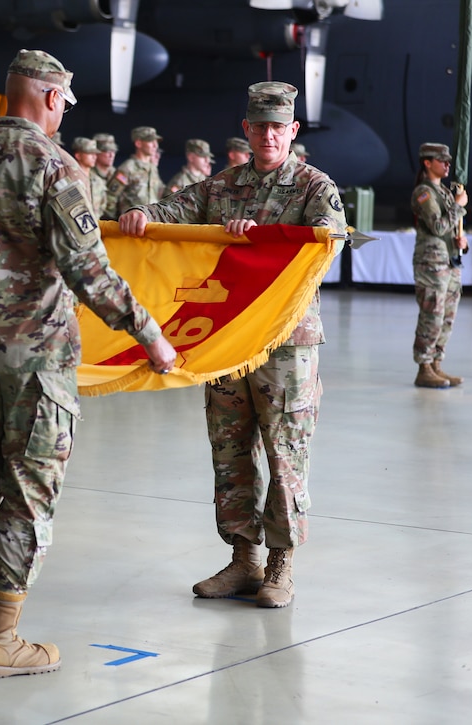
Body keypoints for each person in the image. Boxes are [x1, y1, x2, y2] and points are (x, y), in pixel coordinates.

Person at [0, 49, 176, 679]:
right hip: (38, 366)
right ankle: (2, 639)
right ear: (51, 98)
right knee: (28, 498)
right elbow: (89, 270)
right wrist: (148, 333)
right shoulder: (55, 168)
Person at [119, 81, 347, 609]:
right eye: (259, 126)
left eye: (278, 127)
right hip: (226, 339)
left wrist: (261, 236)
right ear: (246, 131)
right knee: (229, 448)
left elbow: (327, 242)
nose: (268, 135)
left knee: (285, 451)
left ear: (292, 131)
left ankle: (280, 563)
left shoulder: (315, 187)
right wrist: (143, 216)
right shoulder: (221, 187)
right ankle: (243, 558)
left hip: (285, 344)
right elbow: (176, 209)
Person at [411, 142, 468, 389]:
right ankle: (424, 367)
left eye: (448, 160)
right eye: (441, 160)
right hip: (432, 264)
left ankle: (436, 364)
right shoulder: (423, 193)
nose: (447, 164)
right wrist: (458, 205)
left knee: (447, 317)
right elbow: (437, 226)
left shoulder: (443, 191)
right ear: (427, 162)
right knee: (432, 315)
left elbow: (449, 229)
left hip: (450, 261)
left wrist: (462, 243)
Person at [106, 126, 164, 218]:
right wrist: (113, 222)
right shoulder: (128, 168)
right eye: (150, 141)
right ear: (138, 143)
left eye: (156, 141)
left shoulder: (152, 168)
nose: (155, 145)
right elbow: (111, 197)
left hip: (151, 222)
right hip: (131, 225)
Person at [72, 137, 107, 214]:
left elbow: (102, 206)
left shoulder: (98, 180)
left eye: (95, 153)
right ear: (78, 155)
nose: (94, 157)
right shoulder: (70, 179)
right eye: (90, 153)